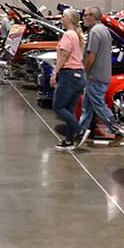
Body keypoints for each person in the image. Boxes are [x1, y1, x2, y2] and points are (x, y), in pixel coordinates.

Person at [77, 7, 120, 148]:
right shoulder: (104, 29)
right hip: (99, 75)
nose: (84, 18)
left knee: (99, 105)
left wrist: (83, 71)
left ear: (94, 16)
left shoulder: (95, 31)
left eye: (86, 16)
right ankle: (81, 131)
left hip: (95, 75)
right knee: (87, 106)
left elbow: (91, 56)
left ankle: (117, 130)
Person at [50, 8, 87, 150]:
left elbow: (63, 56)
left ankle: (80, 130)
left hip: (69, 75)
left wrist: (54, 73)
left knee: (58, 107)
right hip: (79, 75)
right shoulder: (77, 35)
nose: (61, 18)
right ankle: (69, 141)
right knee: (70, 110)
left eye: (64, 16)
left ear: (71, 20)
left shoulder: (68, 35)